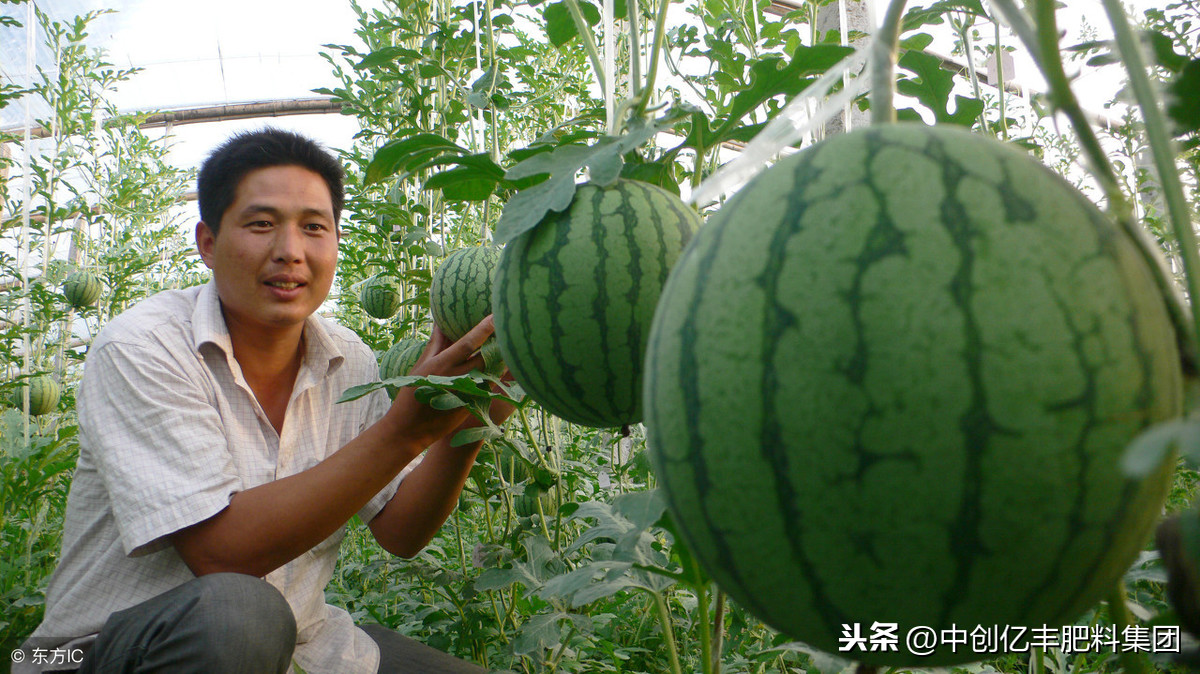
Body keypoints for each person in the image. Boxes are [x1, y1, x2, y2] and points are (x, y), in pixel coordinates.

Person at [17, 128, 509, 673]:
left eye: (314, 228)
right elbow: (222, 555)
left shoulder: (351, 360)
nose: (290, 252)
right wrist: (404, 430)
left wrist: (471, 423)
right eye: (261, 224)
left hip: (304, 647)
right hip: (96, 654)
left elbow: (401, 532)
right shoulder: (142, 346)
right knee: (241, 613)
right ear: (207, 242)